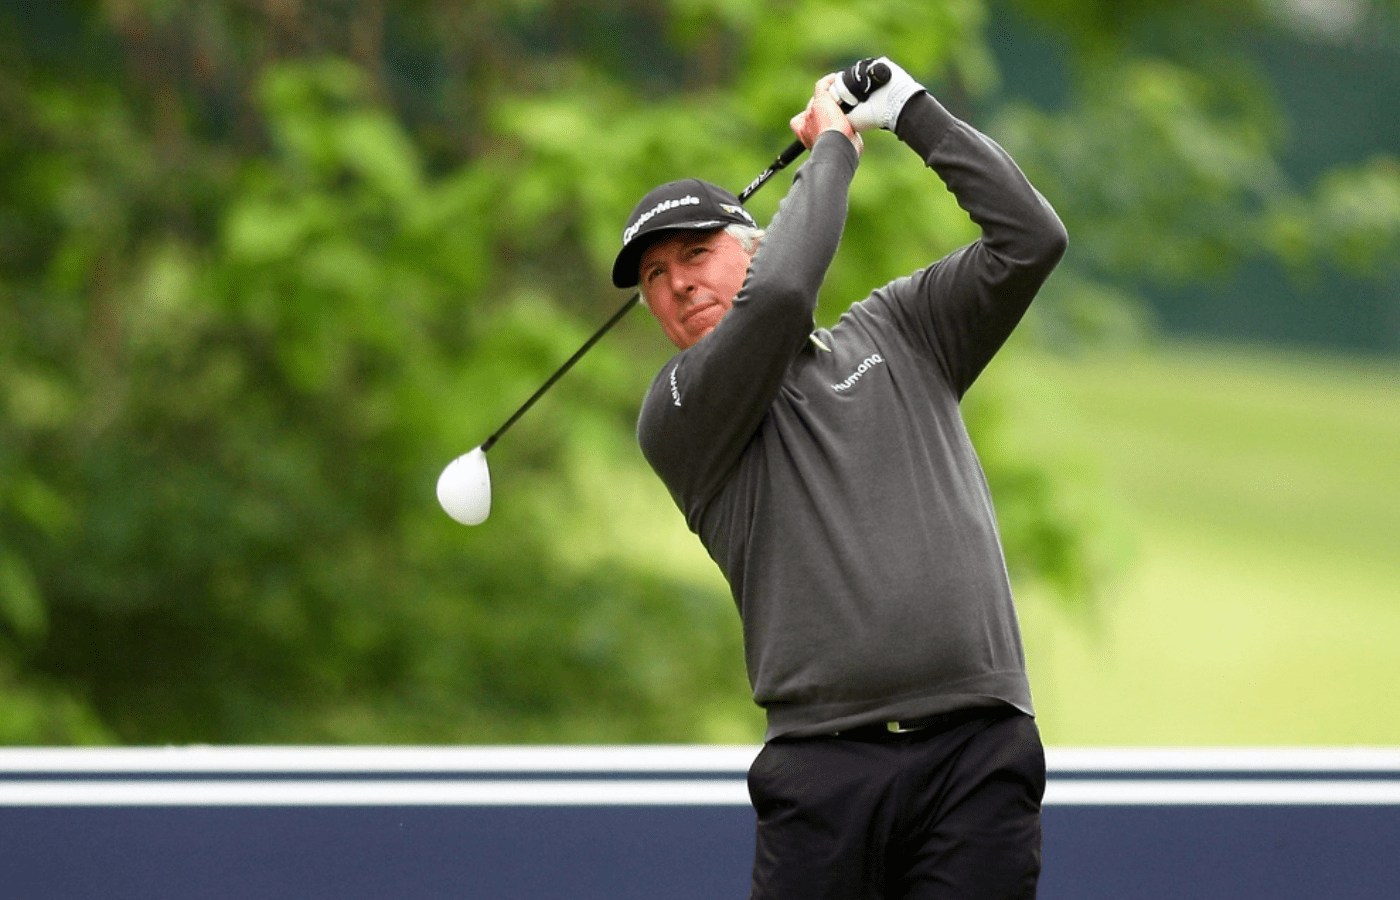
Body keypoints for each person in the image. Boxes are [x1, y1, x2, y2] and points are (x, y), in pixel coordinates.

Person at [611, 57, 1068, 899]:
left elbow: (1031, 239)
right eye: (653, 278)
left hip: (977, 751)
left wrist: (913, 113)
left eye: (697, 254)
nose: (676, 283)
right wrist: (834, 150)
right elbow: (783, 293)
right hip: (823, 771)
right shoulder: (678, 415)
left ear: (752, 243)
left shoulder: (901, 331)